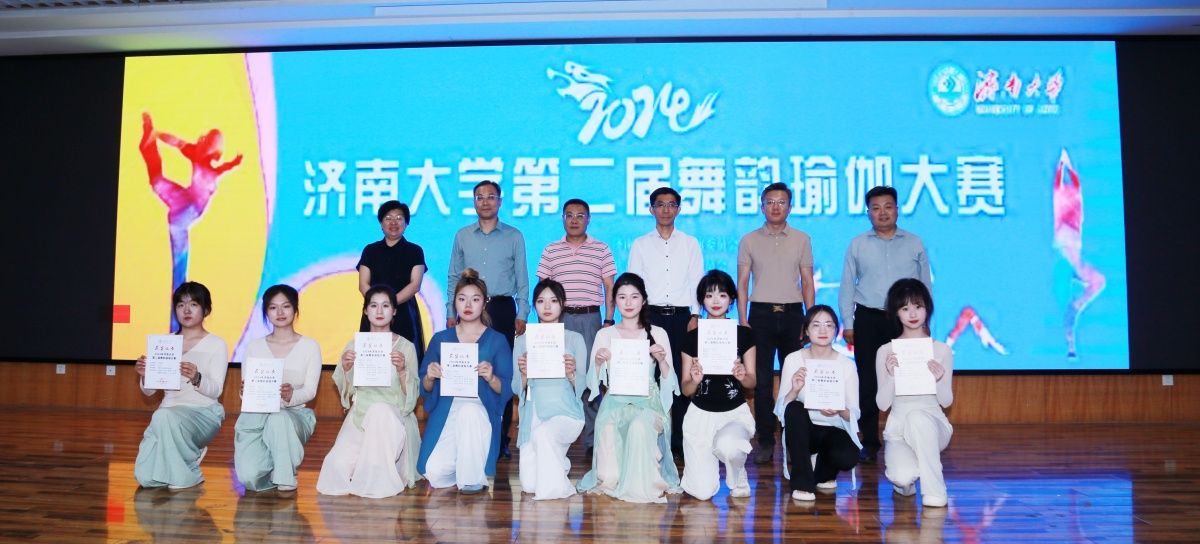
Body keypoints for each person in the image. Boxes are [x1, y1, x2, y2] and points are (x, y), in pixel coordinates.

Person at [838, 185, 932, 463]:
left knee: (907, 379)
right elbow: (847, 287)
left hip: (905, 320)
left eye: (888, 207)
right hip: (868, 318)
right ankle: (869, 442)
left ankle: (906, 435)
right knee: (868, 381)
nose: (882, 213)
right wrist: (848, 323)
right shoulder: (858, 244)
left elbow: (925, 286)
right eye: (876, 208)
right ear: (868, 212)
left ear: (897, 210)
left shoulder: (914, 243)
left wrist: (924, 322)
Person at [577, 273, 680, 503]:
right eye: (622, 297)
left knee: (639, 427)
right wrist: (598, 363)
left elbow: (670, 382)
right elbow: (591, 384)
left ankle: (645, 482)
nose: (628, 302)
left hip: (648, 403)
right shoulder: (605, 334)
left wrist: (662, 360)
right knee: (609, 479)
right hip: (614, 403)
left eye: (634, 296)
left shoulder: (658, 333)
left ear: (644, 300)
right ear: (614, 301)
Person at [448, 179, 530, 460]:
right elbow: (453, 276)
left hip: (502, 309)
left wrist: (522, 313)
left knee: (501, 373)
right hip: (469, 310)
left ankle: (500, 437)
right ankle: (469, 433)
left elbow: (522, 277)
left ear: (500, 201)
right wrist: (451, 311)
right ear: (474, 202)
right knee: (470, 371)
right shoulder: (462, 236)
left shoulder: (514, 236)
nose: (485, 202)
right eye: (480, 197)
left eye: (491, 197)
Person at [138, 112, 243, 329]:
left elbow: (179, 144)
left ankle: (175, 328)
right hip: (186, 206)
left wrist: (232, 163)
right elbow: (177, 142)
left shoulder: (203, 159)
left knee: (157, 182)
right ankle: (147, 147)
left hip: (186, 210)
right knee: (157, 181)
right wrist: (156, 134)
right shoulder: (201, 155)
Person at [316, 285, 421, 497]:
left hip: (392, 416)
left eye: (385, 306)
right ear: (365, 311)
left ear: (394, 311)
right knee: (335, 468)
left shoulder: (406, 347)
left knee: (379, 411)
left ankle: (376, 469)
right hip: (360, 414)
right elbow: (346, 392)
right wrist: (347, 369)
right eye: (373, 305)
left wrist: (402, 371)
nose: (379, 311)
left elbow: (411, 398)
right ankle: (363, 468)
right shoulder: (354, 345)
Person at [736, 182, 815, 465]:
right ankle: (766, 441)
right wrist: (743, 319)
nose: (775, 207)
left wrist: (810, 319)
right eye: (770, 202)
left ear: (790, 207)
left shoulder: (802, 239)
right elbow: (742, 283)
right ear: (762, 206)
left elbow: (807, 281)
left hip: (793, 314)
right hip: (760, 315)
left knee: (796, 380)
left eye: (781, 202)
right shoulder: (749, 240)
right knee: (762, 382)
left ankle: (794, 441)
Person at [418, 269, 514, 493]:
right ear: (455, 303)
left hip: (479, 410)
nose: (468, 305)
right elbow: (425, 387)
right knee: (433, 472)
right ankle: (465, 466)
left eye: (475, 299)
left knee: (469, 412)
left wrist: (491, 377)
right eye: (462, 299)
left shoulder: (497, 340)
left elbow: (507, 388)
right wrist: (430, 376)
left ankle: (471, 479)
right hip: (447, 410)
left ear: (484, 303)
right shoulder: (440, 339)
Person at [628, 186, 705, 458]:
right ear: (651, 209)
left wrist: (696, 315)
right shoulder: (640, 244)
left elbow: (697, 281)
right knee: (652, 378)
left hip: (683, 318)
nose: (666, 210)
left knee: (683, 378)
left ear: (679, 209)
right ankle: (651, 438)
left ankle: (679, 441)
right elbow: (634, 284)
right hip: (651, 317)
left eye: (671, 204)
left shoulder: (690, 243)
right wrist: (638, 319)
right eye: (660, 204)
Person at [536, 198, 616, 454]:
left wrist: (609, 320)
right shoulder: (551, 250)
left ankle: (592, 440)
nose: (574, 220)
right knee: (560, 375)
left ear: (588, 219)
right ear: (562, 218)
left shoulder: (601, 249)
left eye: (580, 215)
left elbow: (609, 287)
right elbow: (543, 289)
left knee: (592, 378)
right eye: (569, 215)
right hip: (559, 320)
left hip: (591, 319)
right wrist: (543, 325)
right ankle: (560, 435)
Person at [134, 281, 229, 490]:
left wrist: (197, 378)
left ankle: (189, 471)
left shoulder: (217, 344)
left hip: (203, 412)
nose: (186, 310)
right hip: (167, 413)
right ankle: (185, 452)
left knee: (163, 416)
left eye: (193, 304)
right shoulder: (165, 342)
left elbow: (216, 390)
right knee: (146, 478)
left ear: (206, 310)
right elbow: (149, 392)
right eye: (180, 304)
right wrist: (145, 375)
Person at [233, 284, 322, 493]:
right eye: (273, 307)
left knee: (278, 418)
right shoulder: (254, 346)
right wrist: (245, 391)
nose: (280, 312)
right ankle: (273, 465)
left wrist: (292, 395)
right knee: (249, 478)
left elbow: (310, 391)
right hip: (258, 417)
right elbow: (248, 390)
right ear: (266, 312)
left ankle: (286, 476)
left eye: (286, 306)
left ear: (295, 309)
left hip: (294, 415)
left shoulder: (310, 346)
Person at [678, 270, 756, 500]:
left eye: (722, 295)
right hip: (700, 416)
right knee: (701, 492)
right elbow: (685, 389)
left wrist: (742, 375)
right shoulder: (691, 338)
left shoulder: (744, 335)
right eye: (709, 295)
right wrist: (694, 380)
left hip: (734, 413)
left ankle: (737, 471)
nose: (715, 301)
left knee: (730, 447)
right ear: (702, 300)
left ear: (731, 299)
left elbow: (752, 382)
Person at [877, 278, 954, 508]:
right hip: (899, 430)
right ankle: (906, 479)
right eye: (905, 308)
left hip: (933, 426)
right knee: (902, 477)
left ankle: (935, 491)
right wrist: (891, 376)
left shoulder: (941, 350)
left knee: (918, 418)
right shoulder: (886, 351)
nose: (912, 314)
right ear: (896, 313)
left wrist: (938, 379)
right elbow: (882, 404)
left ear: (927, 308)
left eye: (918, 306)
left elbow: (946, 401)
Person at [774, 305, 861, 502]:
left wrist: (840, 410)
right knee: (793, 408)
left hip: (833, 428)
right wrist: (794, 390)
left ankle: (823, 469)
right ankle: (802, 484)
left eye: (829, 325)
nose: (823, 330)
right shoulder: (793, 359)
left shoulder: (846, 364)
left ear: (836, 330)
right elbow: (780, 409)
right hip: (804, 431)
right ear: (806, 330)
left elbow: (855, 413)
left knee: (848, 457)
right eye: (816, 325)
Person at [512, 278, 588, 500]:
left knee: (543, 434)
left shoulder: (574, 339)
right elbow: (515, 388)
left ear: (562, 304)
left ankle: (555, 491)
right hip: (533, 413)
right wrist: (524, 374)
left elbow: (585, 385)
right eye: (541, 301)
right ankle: (560, 464)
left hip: (565, 412)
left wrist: (572, 374)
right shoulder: (522, 341)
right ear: (534, 305)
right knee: (528, 484)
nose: (547, 306)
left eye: (553, 301)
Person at [1053, 149, 1106, 360]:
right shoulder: (1061, 197)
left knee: (1098, 282)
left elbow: (1074, 183)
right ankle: (1070, 344)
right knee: (1066, 307)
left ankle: (1077, 306)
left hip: (1074, 254)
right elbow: (1060, 182)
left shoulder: (1075, 198)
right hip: (1065, 254)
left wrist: (1066, 165)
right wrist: (1063, 165)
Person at [358, 200, 427, 359]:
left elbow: (415, 285)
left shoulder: (415, 251)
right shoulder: (370, 250)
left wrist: (390, 304)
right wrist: (378, 306)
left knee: (405, 358)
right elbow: (363, 284)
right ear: (381, 223)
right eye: (388, 218)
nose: (393, 222)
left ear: (406, 223)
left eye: (399, 218)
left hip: (404, 312)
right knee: (371, 359)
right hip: (374, 313)